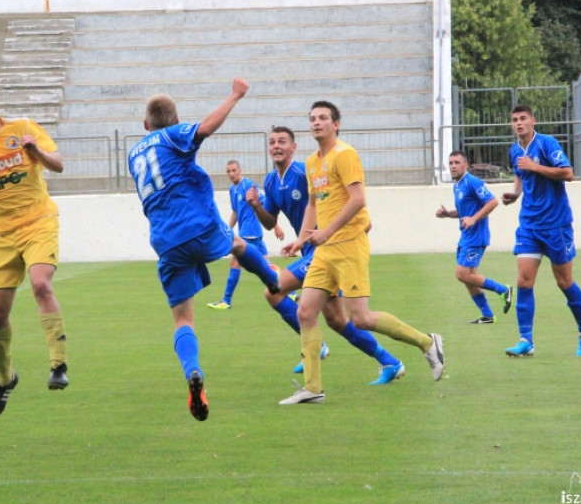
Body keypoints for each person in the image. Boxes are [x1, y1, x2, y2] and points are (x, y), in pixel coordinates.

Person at [128, 78, 282, 421]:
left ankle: (193, 373)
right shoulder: (173, 135)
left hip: (165, 239)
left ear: (145, 124)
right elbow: (206, 128)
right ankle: (272, 280)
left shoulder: (134, 153)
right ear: (175, 120)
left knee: (183, 319)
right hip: (196, 224)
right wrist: (235, 94)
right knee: (238, 244)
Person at [279, 101, 445, 405]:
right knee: (305, 312)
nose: (316, 122)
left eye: (323, 118)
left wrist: (327, 232)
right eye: (313, 118)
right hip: (323, 252)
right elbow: (314, 205)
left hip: (348, 246)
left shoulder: (345, 155)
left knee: (361, 318)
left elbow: (358, 200)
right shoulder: (312, 162)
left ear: (336, 124)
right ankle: (313, 388)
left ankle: (427, 342)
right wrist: (301, 240)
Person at [245, 125, 407, 385]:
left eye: (282, 142)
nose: (276, 146)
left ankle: (315, 347)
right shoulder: (271, 181)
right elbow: (269, 222)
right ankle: (390, 361)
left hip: (328, 248)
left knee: (274, 291)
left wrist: (360, 224)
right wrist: (255, 205)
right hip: (311, 249)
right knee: (337, 320)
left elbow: (342, 197)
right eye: (272, 142)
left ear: (293, 147)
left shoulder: (305, 172)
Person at [0, 82, 69, 419]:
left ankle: (58, 364)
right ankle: (5, 379)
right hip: (2, 235)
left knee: (40, 284)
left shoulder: (23, 128)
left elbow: (58, 164)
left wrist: (37, 152)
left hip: (39, 222)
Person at [501, 105, 581, 357]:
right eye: (514, 119)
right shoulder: (514, 150)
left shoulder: (546, 144)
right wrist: (515, 194)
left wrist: (536, 167)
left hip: (556, 224)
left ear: (533, 120)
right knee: (523, 281)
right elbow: (520, 175)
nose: (518, 123)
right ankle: (526, 340)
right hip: (529, 225)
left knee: (564, 282)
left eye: (523, 118)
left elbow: (568, 174)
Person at [435, 150, 513, 324]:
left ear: (466, 165)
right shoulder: (457, 186)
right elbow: (464, 212)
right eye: (451, 163)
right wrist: (448, 214)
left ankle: (503, 290)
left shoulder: (472, 182)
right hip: (466, 236)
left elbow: (492, 202)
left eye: (457, 162)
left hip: (476, 237)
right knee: (469, 277)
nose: (453, 166)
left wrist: (474, 219)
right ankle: (488, 315)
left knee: (462, 274)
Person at [207, 160, 283, 310]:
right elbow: (235, 212)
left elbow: (262, 205)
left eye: (234, 170)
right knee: (266, 263)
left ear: (240, 170)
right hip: (250, 232)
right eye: (228, 171)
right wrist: (227, 230)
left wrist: (276, 226)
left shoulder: (249, 185)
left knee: (235, 262)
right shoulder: (232, 189)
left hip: (250, 232)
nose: (231, 174)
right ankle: (290, 291)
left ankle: (226, 300)